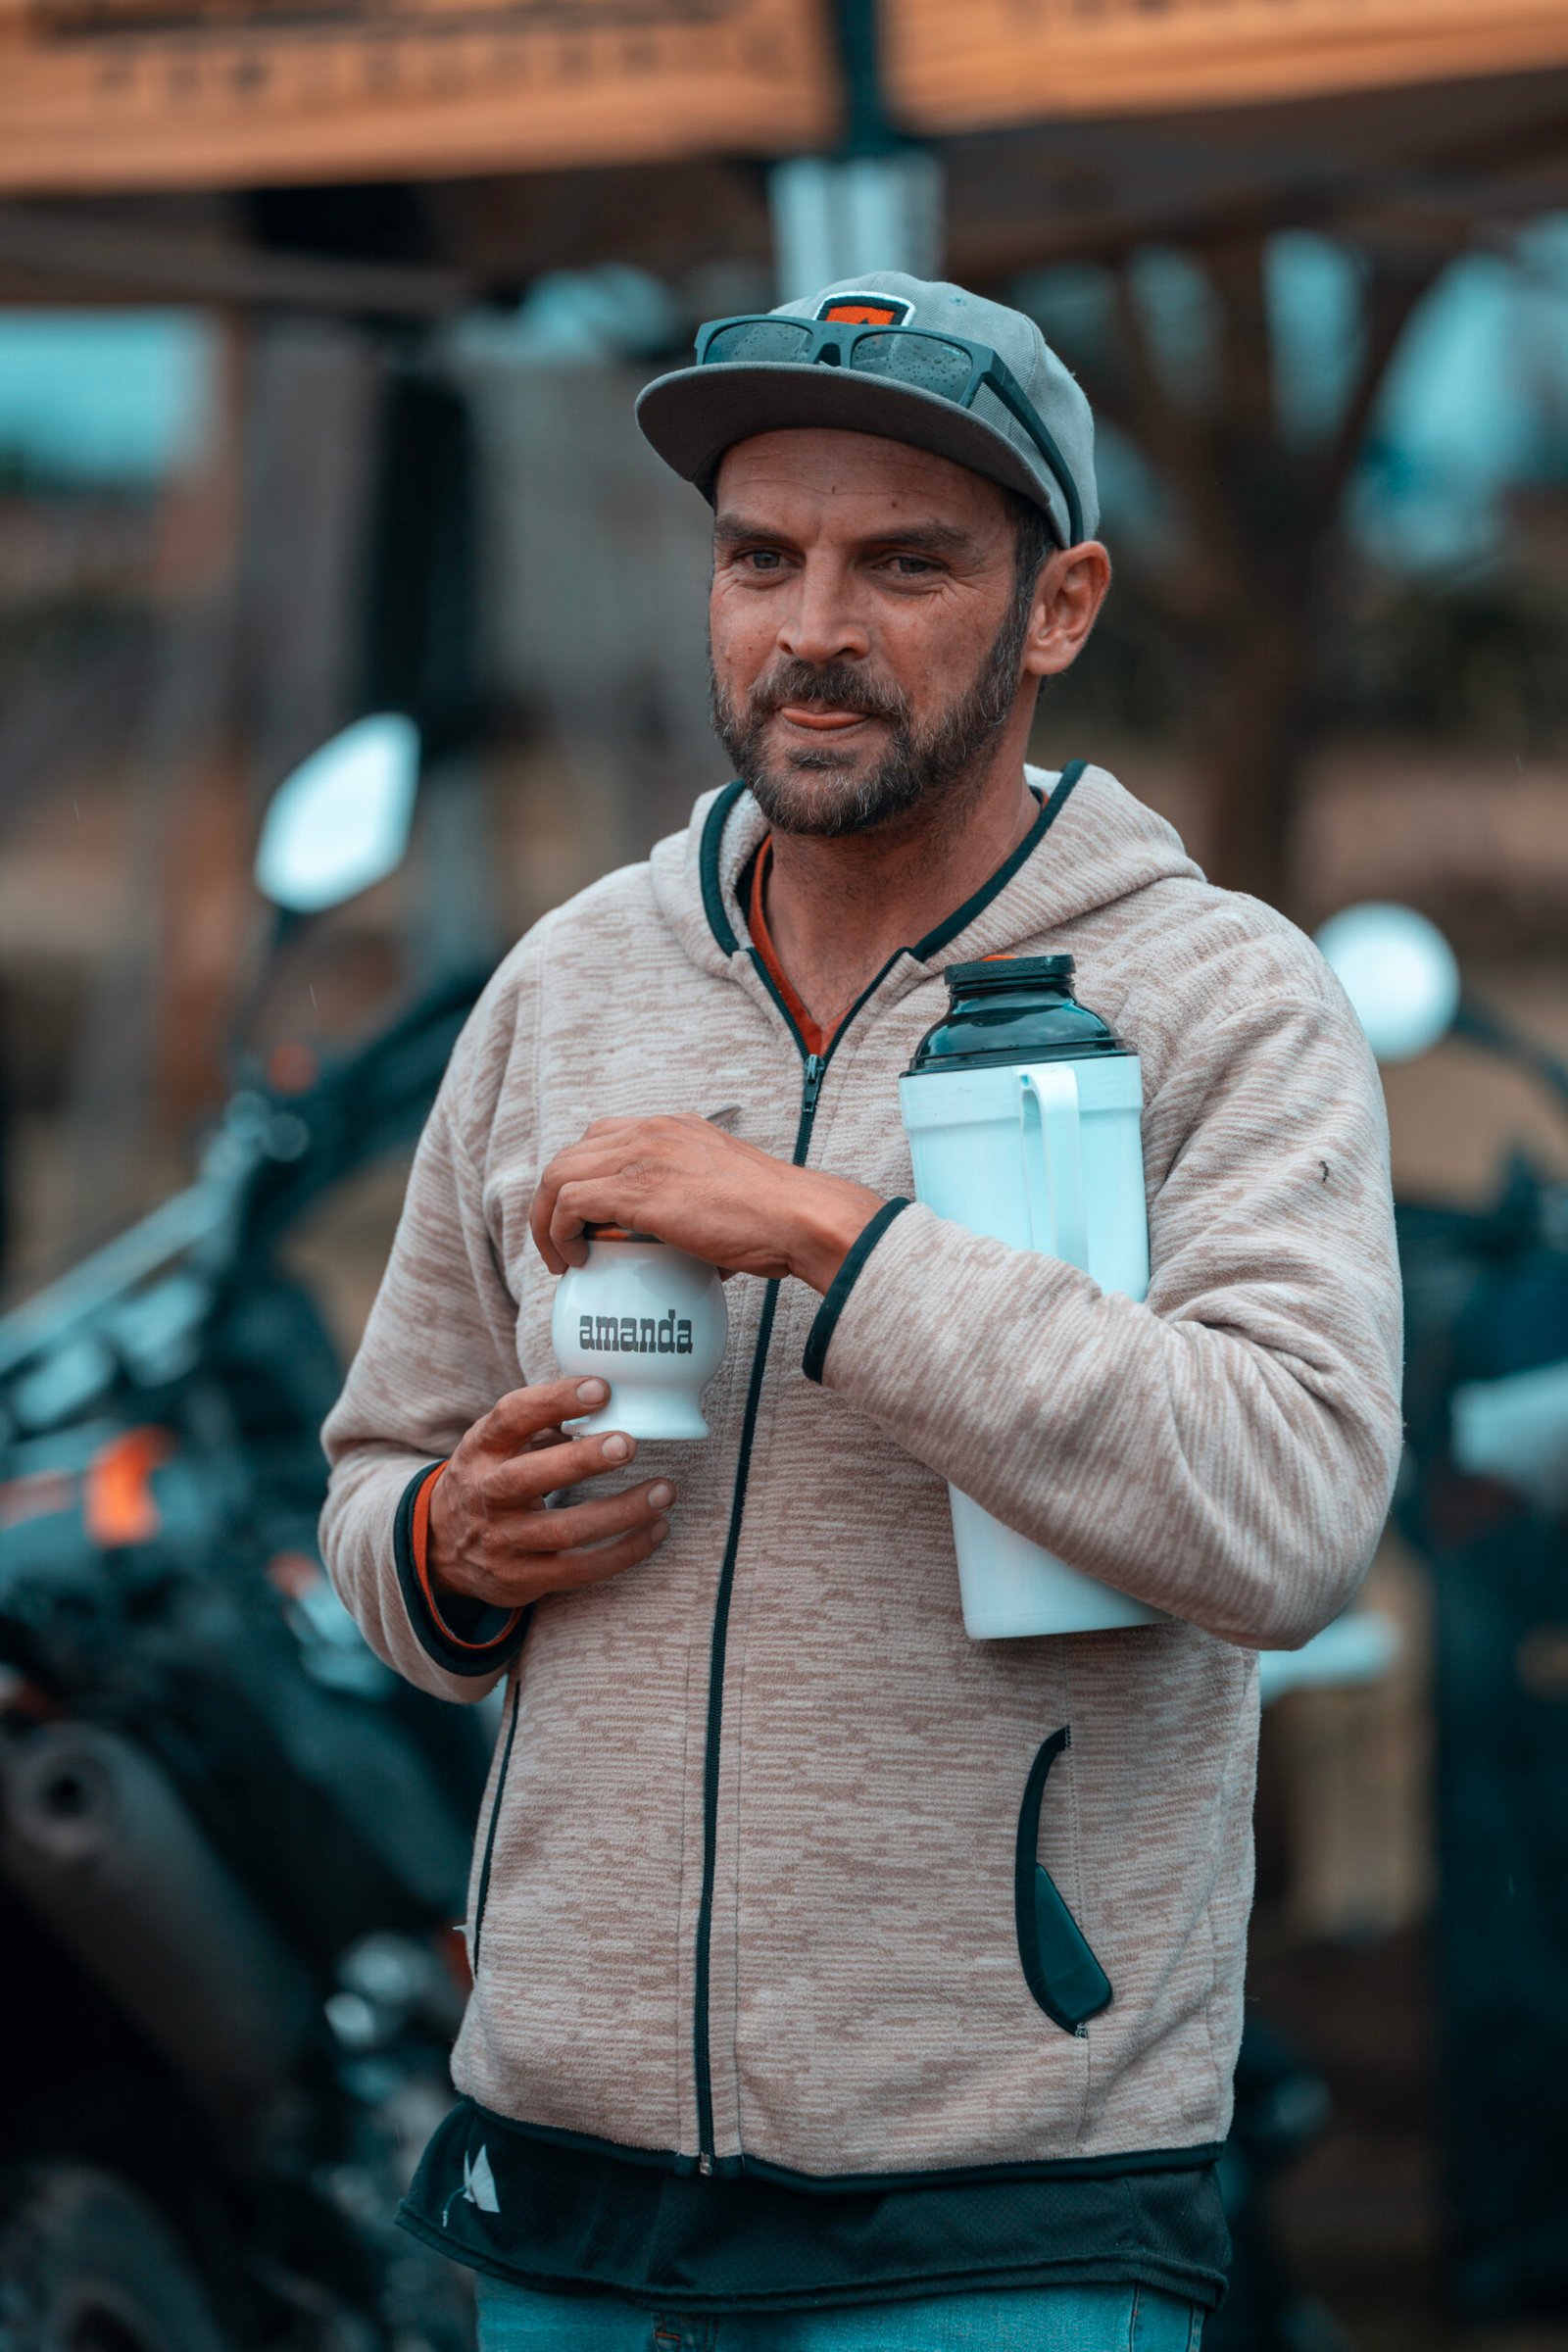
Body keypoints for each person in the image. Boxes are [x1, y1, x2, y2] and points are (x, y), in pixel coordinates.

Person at [319, 271, 1402, 2352]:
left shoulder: (1222, 1001)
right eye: (761, 558)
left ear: (1058, 604)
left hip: (1000, 2212)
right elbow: (378, 1469)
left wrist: (829, 1237)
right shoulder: (566, 983)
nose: (811, 627)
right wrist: (443, 1546)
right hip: (562, 2190)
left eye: (904, 565)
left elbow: (1289, 1511)